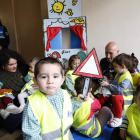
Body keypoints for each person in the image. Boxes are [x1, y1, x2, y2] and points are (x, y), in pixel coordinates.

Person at [22, 57, 85, 140]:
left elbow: (68, 110)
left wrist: (78, 101)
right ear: (35, 80)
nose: (50, 81)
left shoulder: (64, 94)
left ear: (62, 80)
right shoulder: (32, 104)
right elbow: (31, 135)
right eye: (44, 77)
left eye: (55, 76)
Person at [99, 53, 134, 127]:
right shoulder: (119, 73)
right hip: (116, 95)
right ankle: (98, 110)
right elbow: (115, 82)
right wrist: (107, 82)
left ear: (123, 66)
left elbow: (119, 89)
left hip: (125, 98)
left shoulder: (127, 77)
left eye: (115, 67)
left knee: (116, 98)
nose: (114, 68)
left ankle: (118, 118)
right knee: (103, 95)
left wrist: (108, 85)